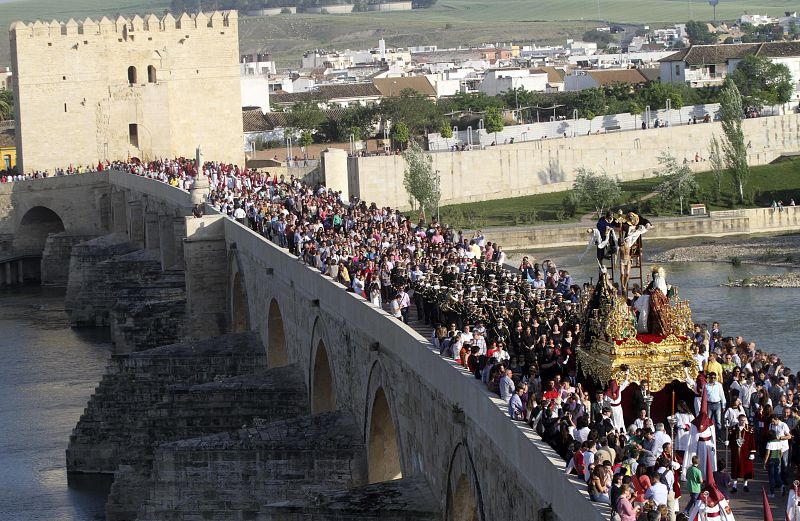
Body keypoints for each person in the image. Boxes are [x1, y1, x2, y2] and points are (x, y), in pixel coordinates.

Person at [728, 413, 755, 493]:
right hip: (736, 452)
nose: (743, 422)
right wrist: (728, 442)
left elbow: (752, 441)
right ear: (738, 420)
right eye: (741, 420)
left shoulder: (749, 429)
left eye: (744, 420)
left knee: (746, 469)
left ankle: (745, 485)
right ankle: (734, 486)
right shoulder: (732, 429)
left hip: (746, 453)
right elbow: (730, 439)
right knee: (735, 468)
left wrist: (752, 452)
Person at [765, 431, 783, 497]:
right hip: (777, 459)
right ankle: (782, 485)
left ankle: (772, 493)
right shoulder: (779, 442)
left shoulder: (769, 443)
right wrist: (779, 458)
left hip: (771, 460)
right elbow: (781, 452)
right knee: (776, 474)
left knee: (771, 477)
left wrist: (765, 462)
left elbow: (767, 454)